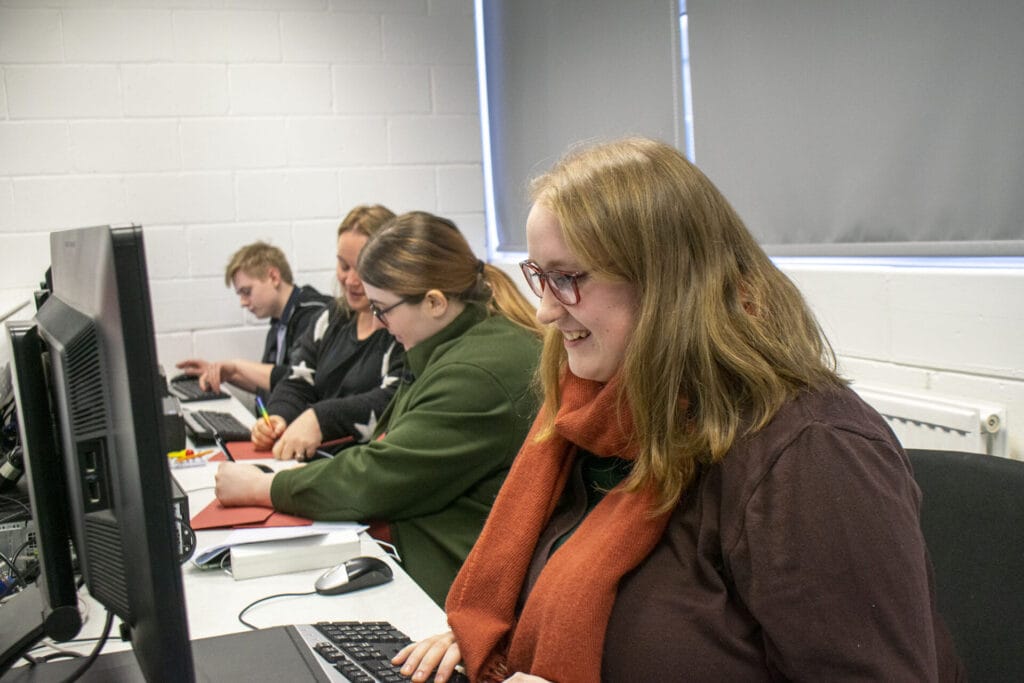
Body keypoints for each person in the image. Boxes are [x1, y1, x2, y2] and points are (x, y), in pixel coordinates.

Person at [394, 138, 965, 683]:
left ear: (670, 283)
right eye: (540, 276)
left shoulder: (810, 452)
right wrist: (501, 631)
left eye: (567, 279)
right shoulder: (596, 419)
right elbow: (574, 592)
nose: (543, 311)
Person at [215, 211, 543, 605]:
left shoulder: (475, 372)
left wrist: (264, 486)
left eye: (383, 309)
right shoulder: (450, 345)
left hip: (452, 584)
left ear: (435, 302)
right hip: (430, 555)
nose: (381, 324)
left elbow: (379, 475)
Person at [250, 204, 407, 457]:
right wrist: (278, 417)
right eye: (344, 267)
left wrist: (320, 419)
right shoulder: (330, 317)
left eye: (363, 270)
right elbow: (298, 379)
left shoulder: (402, 331)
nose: (351, 281)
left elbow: (393, 399)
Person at [175, 241, 331, 403]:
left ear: (274, 277)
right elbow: (270, 383)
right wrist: (225, 374)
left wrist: (237, 366)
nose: (243, 302)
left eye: (247, 292)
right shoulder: (278, 324)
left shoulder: (313, 316)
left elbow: (296, 380)